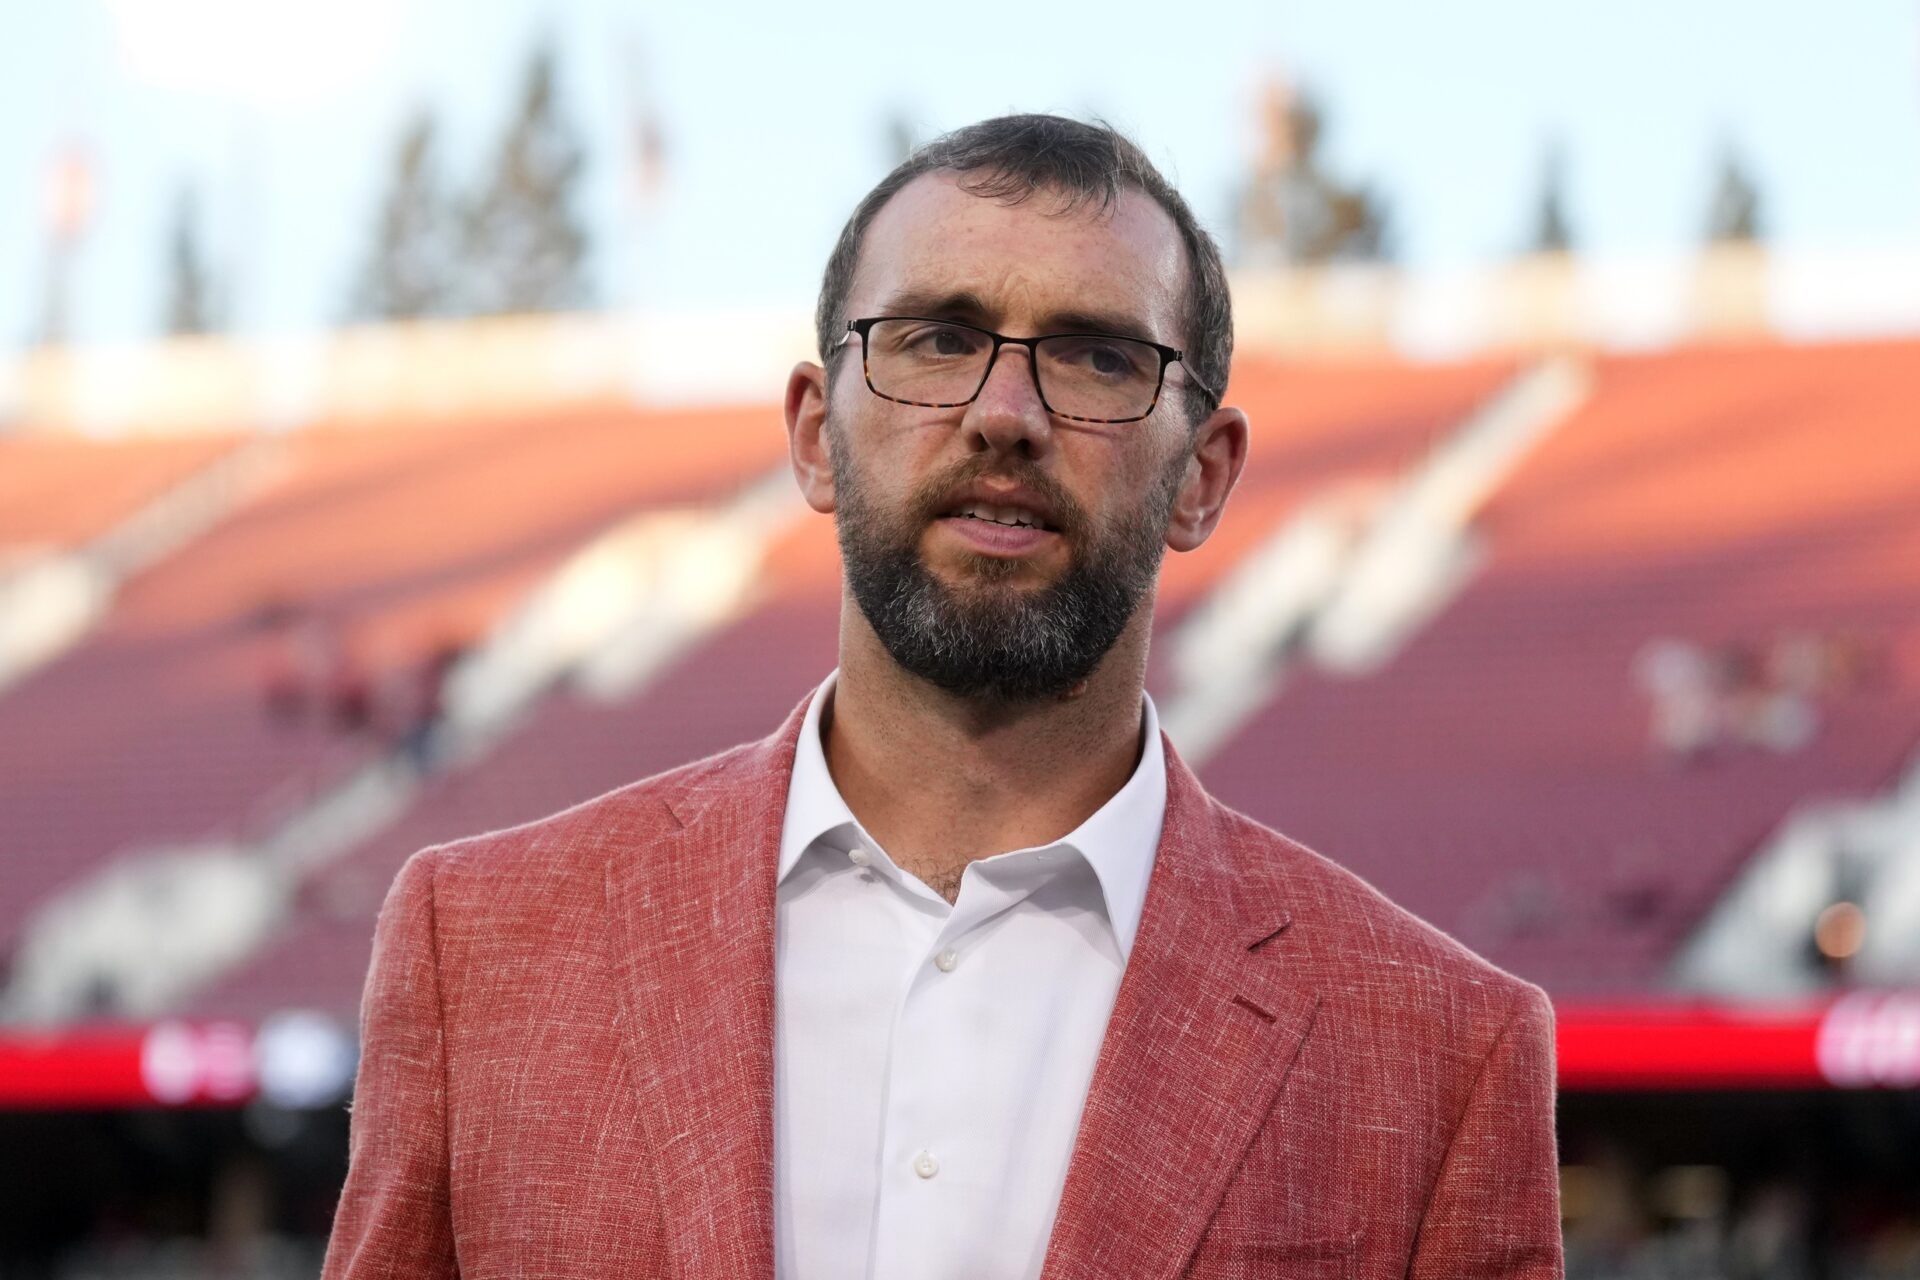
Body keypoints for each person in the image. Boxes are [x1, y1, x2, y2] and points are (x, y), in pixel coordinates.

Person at [323, 114, 1562, 1280]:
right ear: (816, 432)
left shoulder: (1444, 1052)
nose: (1003, 415)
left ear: (1203, 475)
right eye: (936, 339)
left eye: (1095, 356)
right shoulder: (478, 947)